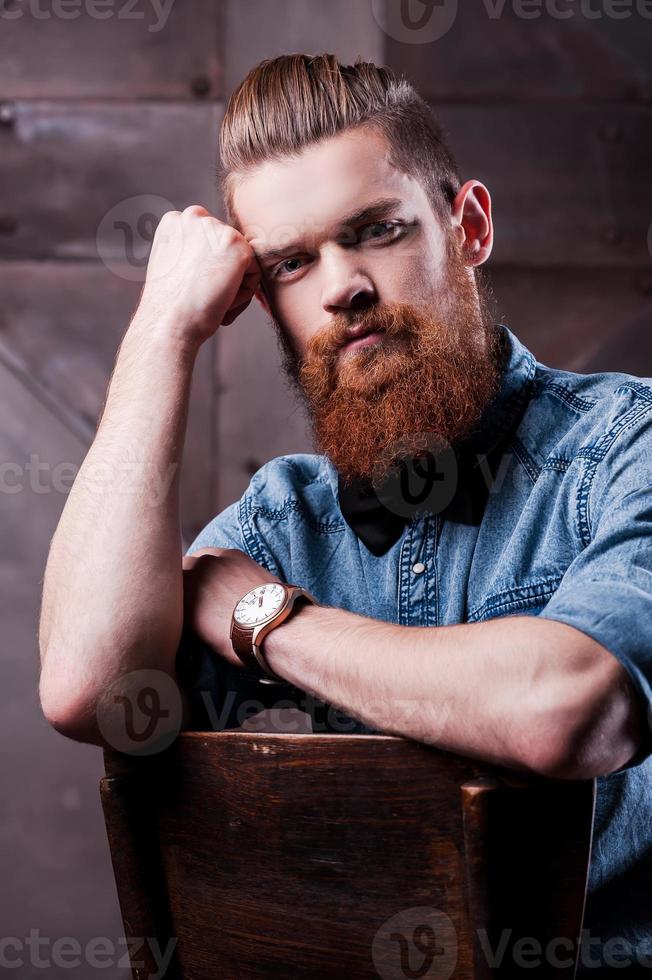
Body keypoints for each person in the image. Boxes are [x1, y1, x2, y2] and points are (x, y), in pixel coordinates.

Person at [39, 54, 652, 972]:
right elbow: (87, 688)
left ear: (469, 227)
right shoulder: (277, 521)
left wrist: (269, 622)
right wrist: (162, 328)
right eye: (292, 261)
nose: (342, 287)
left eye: (377, 231)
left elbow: (567, 711)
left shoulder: (626, 446)